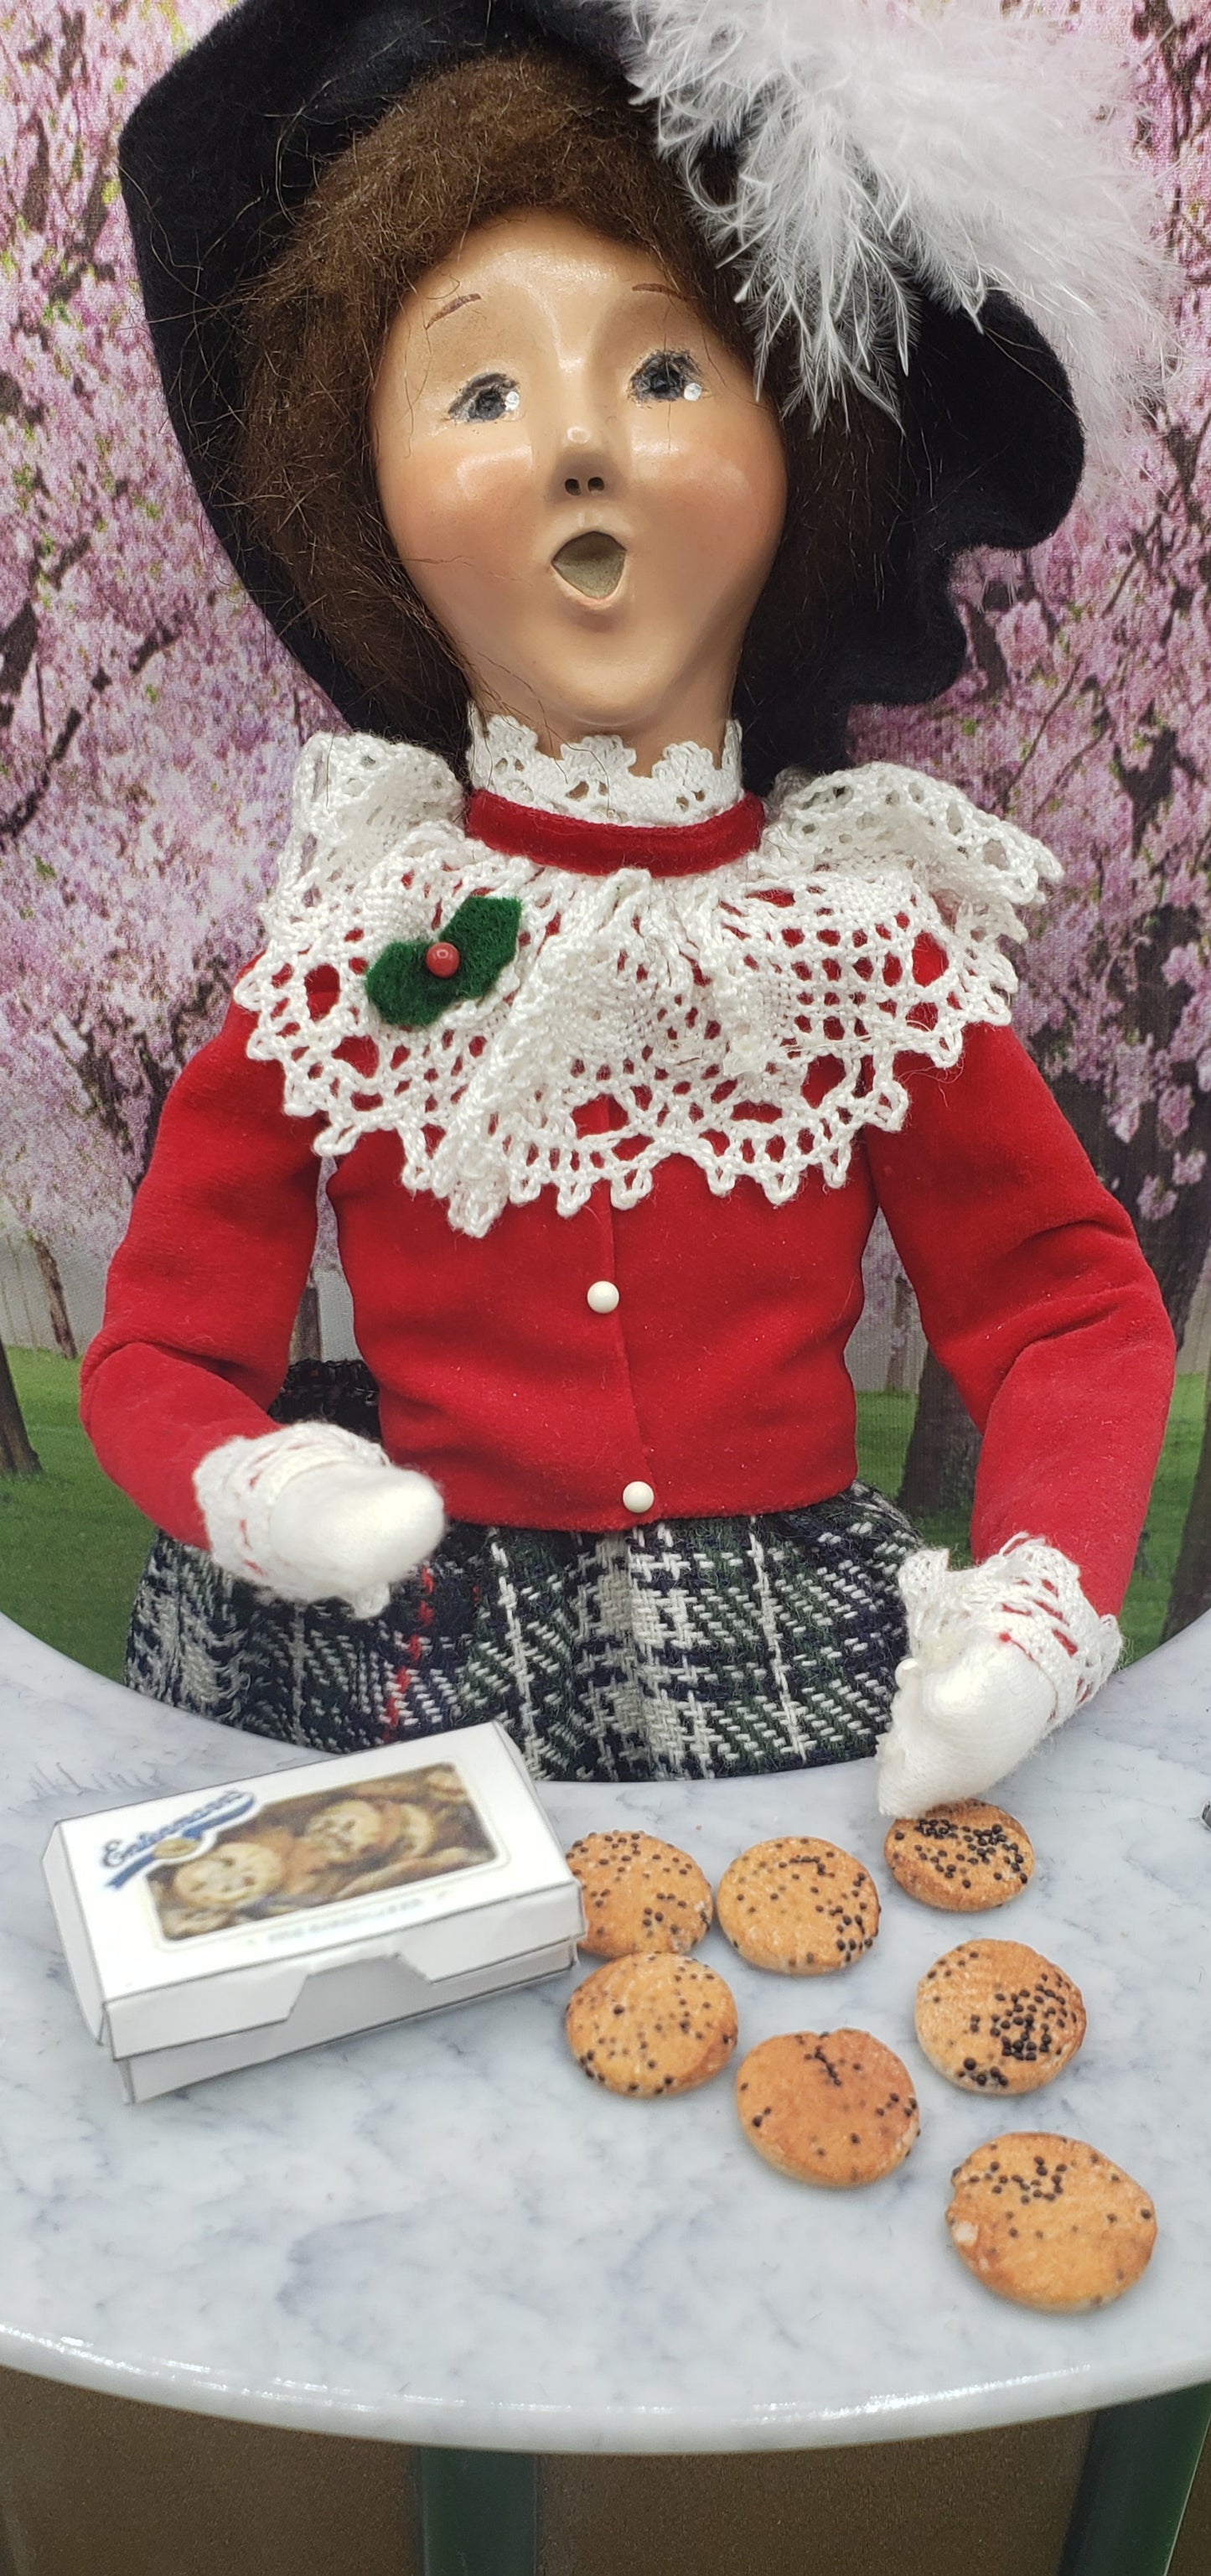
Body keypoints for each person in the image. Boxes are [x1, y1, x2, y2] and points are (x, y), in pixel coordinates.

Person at [81, 1, 1175, 1809]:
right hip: (400, 1648)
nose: (580, 446)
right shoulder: (363, 952)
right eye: (482, 390)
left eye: (666, 374)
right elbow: (163, 1346)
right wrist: (258, 1481)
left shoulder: (853, 938)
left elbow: (1067, 1303)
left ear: (793, 456)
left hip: (791, 1656)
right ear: (370, 489)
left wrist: (1039, 1591)